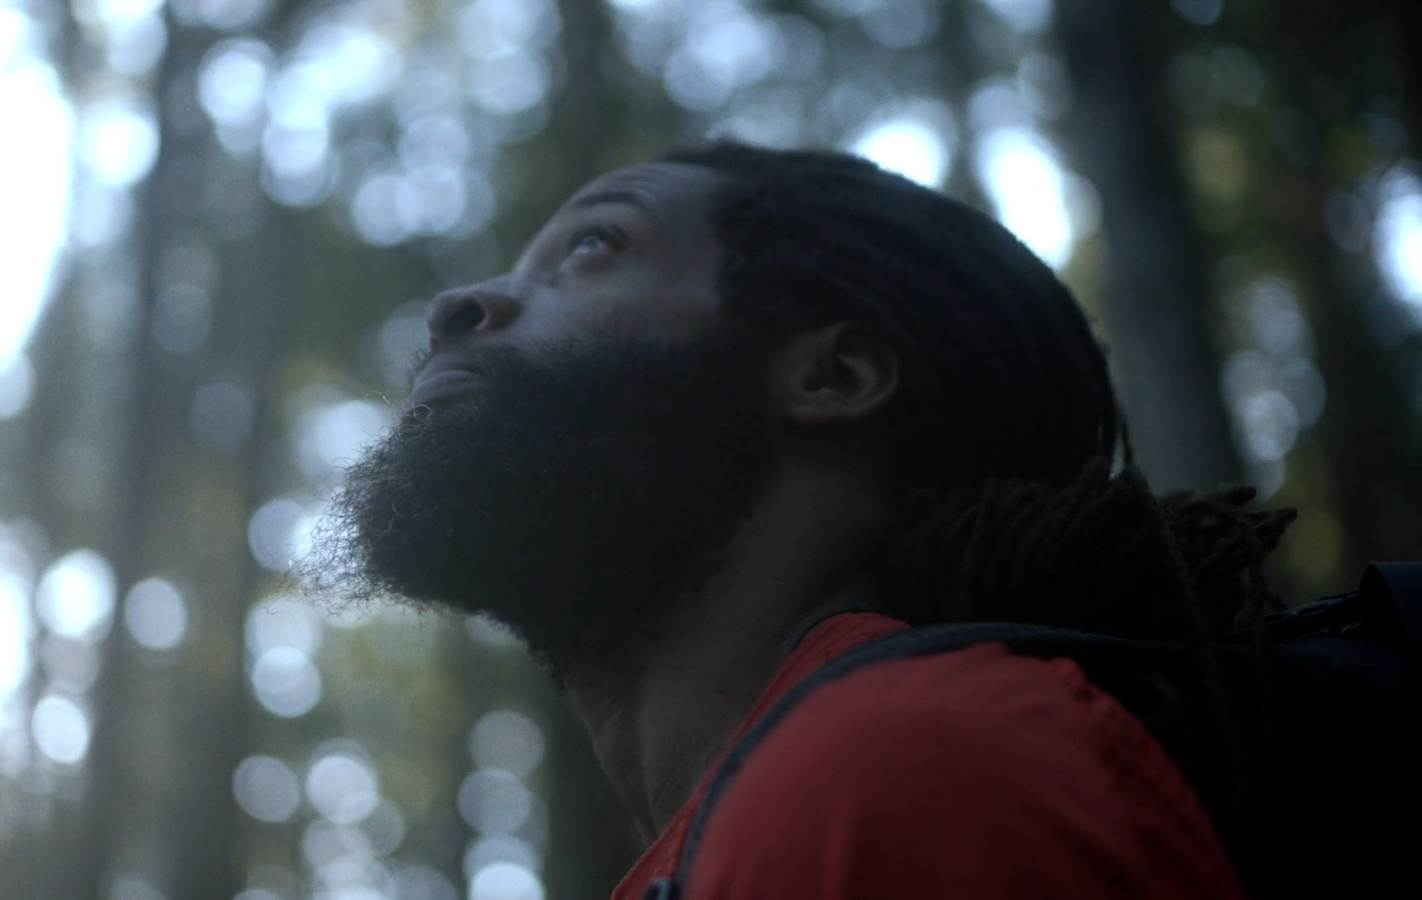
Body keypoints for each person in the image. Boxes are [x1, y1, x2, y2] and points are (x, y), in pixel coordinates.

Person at [303, 142, 1295, 898]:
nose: (461, 303)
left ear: (831, 376)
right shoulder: (780, 809)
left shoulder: (904, 771)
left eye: (594, 246)